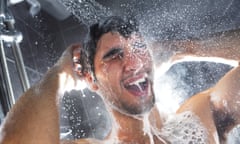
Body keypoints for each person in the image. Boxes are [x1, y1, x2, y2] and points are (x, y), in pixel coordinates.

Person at [0, 16, 240, 144]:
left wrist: (179, 48)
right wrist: (60, 74)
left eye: (138, 48)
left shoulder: (198, 123)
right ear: (92, 82)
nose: (133, 62)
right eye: (114, 55)